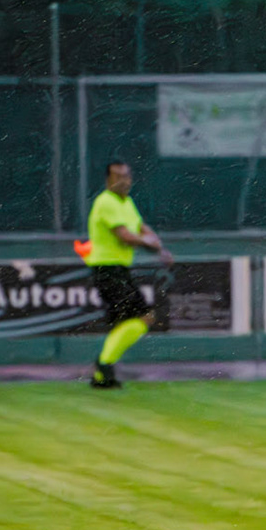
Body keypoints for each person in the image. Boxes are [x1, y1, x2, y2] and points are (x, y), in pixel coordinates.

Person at [83, 160, 172, 390]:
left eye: (126, 176)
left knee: (131, 321)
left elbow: (141, 227)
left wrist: (159, 247)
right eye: (118, 177)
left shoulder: (127, 202)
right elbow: (125, 236)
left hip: (118, 269)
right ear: (108, 180)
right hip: (107, 269)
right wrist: (151, 244)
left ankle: (103, 372)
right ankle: (103, 365)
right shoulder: (106, 201)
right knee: (143, 317)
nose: (123, 181)